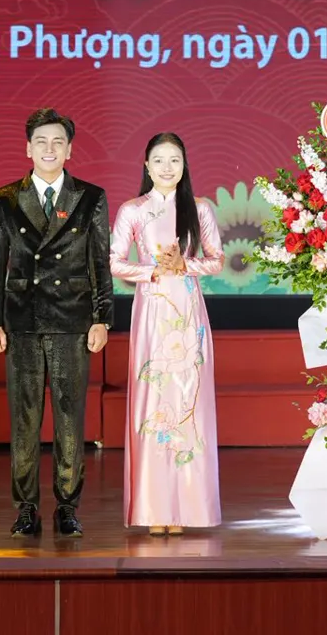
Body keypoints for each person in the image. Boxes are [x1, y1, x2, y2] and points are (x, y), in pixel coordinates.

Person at [0, 108, 113, 539]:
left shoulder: (89, 197)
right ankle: (26, 507)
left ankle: (68, 506)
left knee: (70, 419)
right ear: (28, 149)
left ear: (69, 149)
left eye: (58, 142)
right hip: (22, 320)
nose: (49, 149)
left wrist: (102, 318)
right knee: (24, 420)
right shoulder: (5, 199)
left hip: (72, 319)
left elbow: (100, 262)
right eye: (41, 142)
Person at [109, 133, 223, 535]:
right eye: (159, 160)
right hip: (153, 312)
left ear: (184, 164)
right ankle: (154, 509)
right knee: (154, 400)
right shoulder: (133, 210)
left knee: (188, 399)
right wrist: (154, 271)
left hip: (188, 311)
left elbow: (216, 261)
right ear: (146, 165)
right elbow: (115, 262)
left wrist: (185, 265)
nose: (167, 167)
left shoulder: (200, 208)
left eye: (174, 159)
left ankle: (187, 509)